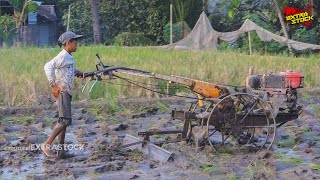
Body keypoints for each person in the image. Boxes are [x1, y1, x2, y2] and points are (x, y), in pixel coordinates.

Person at [41, 31, 84, 159]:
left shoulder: (69, 56)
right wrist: (53, 84)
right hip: (62, 91)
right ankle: (46, 145)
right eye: (75, 42)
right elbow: (48, 66)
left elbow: (68, 69)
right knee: (64, 121)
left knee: (63, 122)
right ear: (67, 43)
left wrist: (79, 72)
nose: (77, 44)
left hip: (67, 92)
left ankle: (61, 152)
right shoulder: (63, 55)